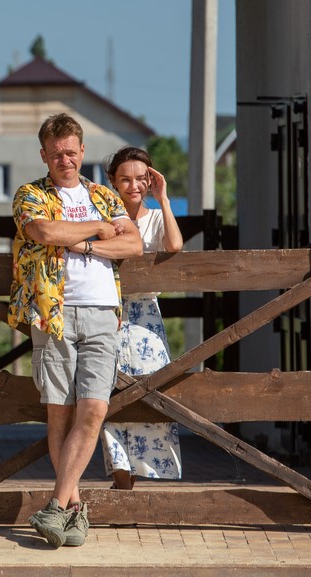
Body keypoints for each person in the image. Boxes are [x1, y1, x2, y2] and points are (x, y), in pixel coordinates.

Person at [9, 113, 143, 548]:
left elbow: (134, 244)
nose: (65, 159)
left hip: (104, 311)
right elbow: (43, 230)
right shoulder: (31, 194)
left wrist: (83, 243)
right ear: (44, 155)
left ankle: (54, 507)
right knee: (59, 412)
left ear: (82, 152)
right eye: (56, 153)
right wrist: (102, 228)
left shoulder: (103, 194)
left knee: (94, 409)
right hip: (55, 312)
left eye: (71, 151)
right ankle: (71, 509)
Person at [101, 146, 184, 491]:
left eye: (140, 178)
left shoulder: (154, 218)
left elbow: (175, 246)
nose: (133, 186)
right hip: (109, 312)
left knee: (152, 393)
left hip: (147, 318)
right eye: (125, 179)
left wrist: (164, 199)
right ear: (113, 182)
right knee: (109, 396)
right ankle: (123, 481)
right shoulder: (102, 220)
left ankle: (144, 476)